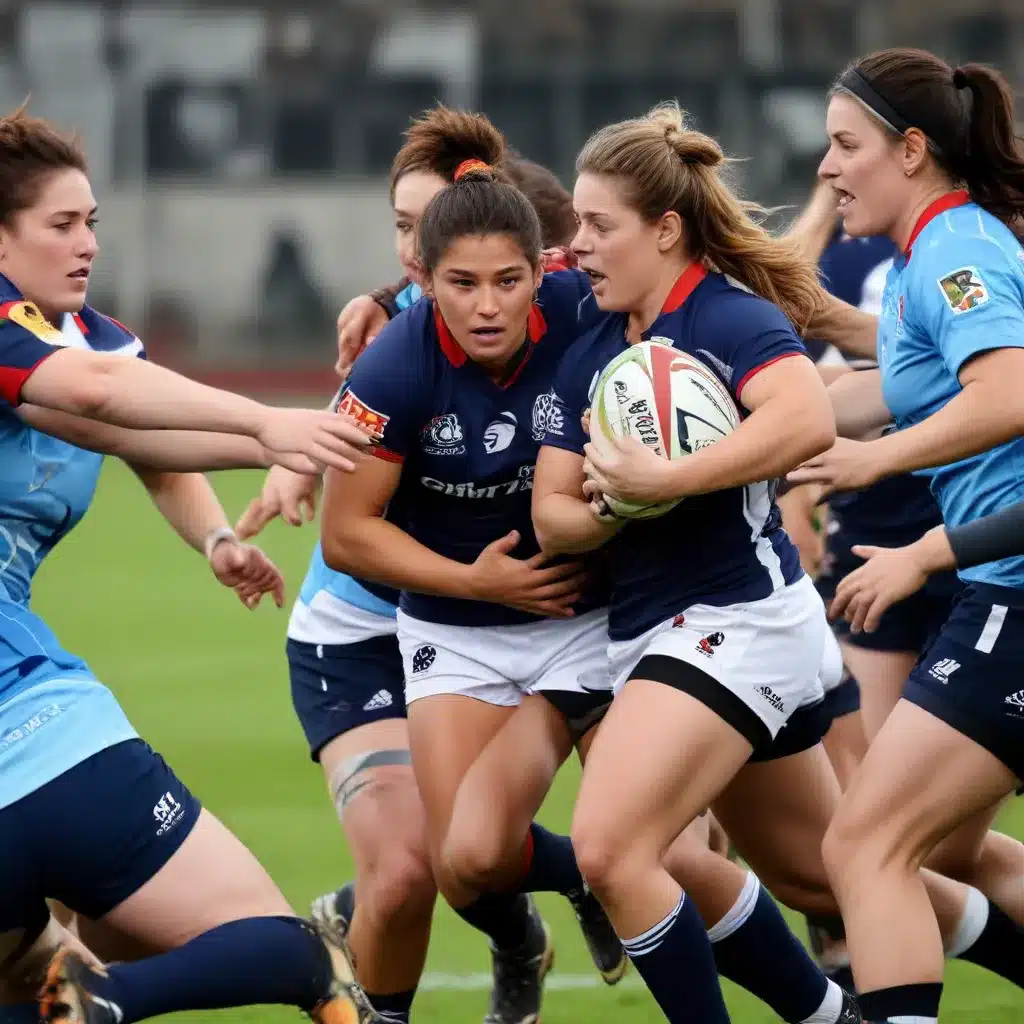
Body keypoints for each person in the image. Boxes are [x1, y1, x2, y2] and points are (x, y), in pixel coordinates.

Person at [533, 100, 1024, 1024]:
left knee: (609, 847)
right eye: (576, 228)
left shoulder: (729, 317)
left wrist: (669, 476)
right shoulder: (590, 336)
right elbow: (555, 513)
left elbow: (803, 417)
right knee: (828, 866)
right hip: (660, 631)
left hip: (739, 621)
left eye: (599, 227)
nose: (579, 245)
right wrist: (613, 503)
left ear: (665, 229)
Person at [0, 107, 366, 1024]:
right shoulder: (29, 344)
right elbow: (98, 399)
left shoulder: (85, 336)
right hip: (37, 720)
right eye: (61, 224)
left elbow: (144, 440)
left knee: (33, 988)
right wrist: (265, 424)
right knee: (283, 946)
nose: (86, 242)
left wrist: (215, 539)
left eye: (92, 221)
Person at [235, 108, 592, 1024]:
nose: (407, 254)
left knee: (476, 848)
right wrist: (292, 457)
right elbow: (360, 427)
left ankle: (579, 884)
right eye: (401, 230)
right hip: (363, 632)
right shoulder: (397, 335)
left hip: (495, 625)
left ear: (534, 261)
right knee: (405, 871)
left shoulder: (554, 317)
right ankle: (521, 936)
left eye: (421, 228)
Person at [319, 148, 628, 1024]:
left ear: (546, 268)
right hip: (460, 624)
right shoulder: (392, 369)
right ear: (423, 278)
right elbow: (346, 534)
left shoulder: (581, 305)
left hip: (597, 616)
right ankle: (571, 892)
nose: (487, 305)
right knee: (467, 865)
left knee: (649, 850)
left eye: (509, 280)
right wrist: (478, 581)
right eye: (461, 283)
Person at [790, 48, 1024, 1024]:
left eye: (846, 144)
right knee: (931, 846)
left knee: (860, 846)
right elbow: (883, 388)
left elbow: (1008, 389)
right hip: (997, 582)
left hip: (1010, 590)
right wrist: (750, 439)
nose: (830, 166)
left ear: (912, 149)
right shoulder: (932, 251)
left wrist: (877, 467)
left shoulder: (956, 250)